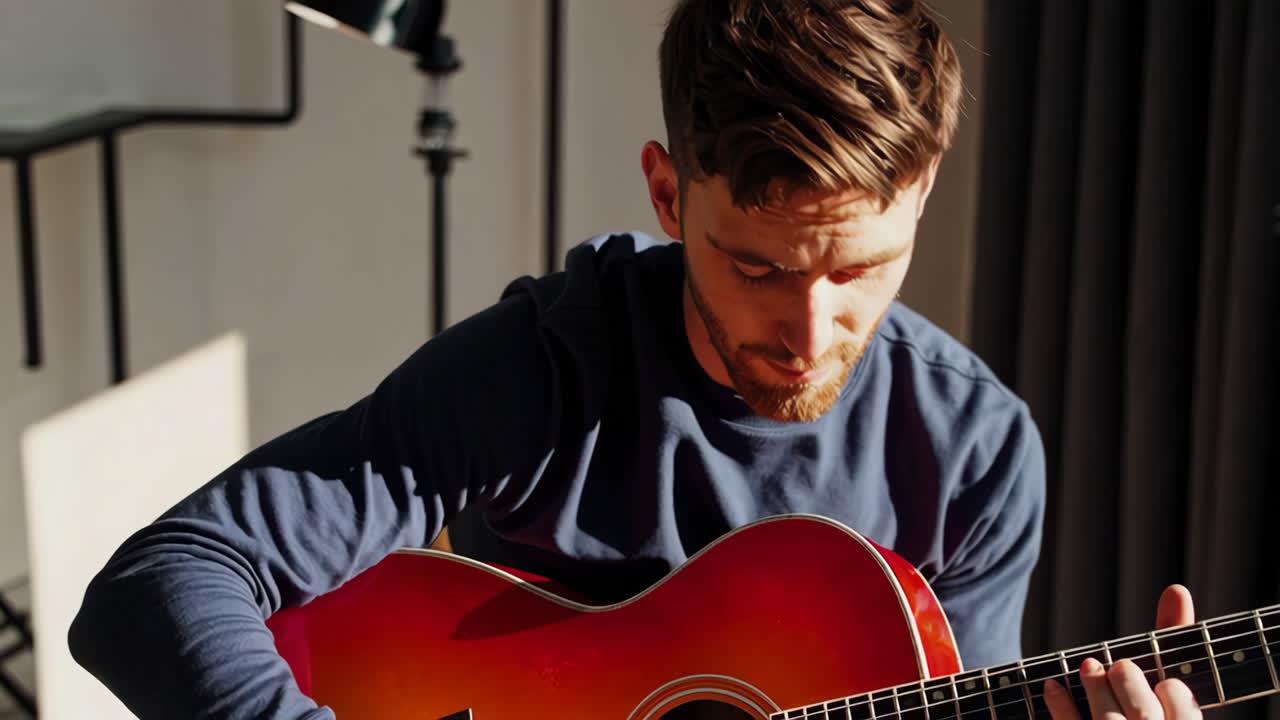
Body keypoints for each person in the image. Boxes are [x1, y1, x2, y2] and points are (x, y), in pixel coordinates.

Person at [68, 1, 1200, 718]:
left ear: (924, 198)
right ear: (667, 192)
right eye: (756, 270)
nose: (808, 333)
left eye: (857, 270)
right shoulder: (543, 368)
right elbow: (155, 585)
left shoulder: (973, 451)